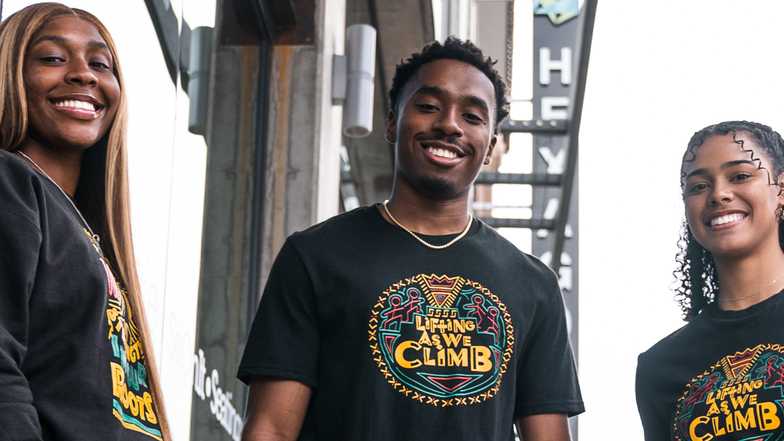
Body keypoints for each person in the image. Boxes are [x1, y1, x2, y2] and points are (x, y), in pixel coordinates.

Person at [238, 37, 583, 441]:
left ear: (489, 147)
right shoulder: (315, 257)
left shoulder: (533, 284)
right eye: (428, 107)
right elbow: (271, 429)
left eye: (472, 117)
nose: (449, 124)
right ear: (392, 121)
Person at [0, 3, 168, 440]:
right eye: (53, 58)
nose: (83, 75)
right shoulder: (9, 182)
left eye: (100, 64)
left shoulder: (88, 232)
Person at [636, 121, 784, 441]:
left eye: (740, 176)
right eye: (699, 186)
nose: (719, 194)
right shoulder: (660, 367)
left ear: (781, 190)